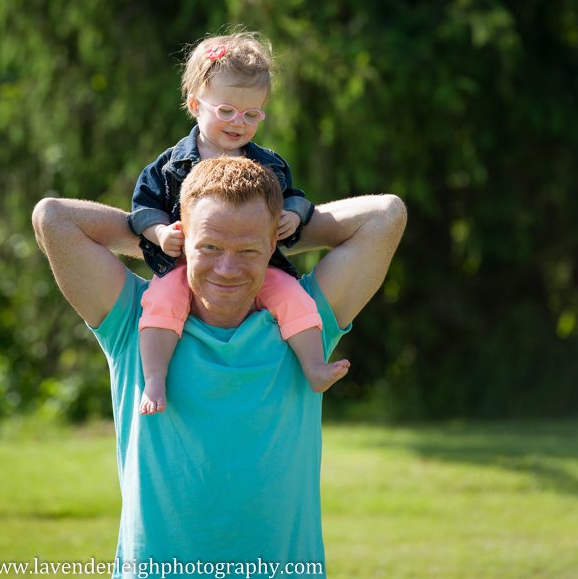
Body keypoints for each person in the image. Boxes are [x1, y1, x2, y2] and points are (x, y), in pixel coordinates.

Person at [32, 157, 406, 574]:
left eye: (248, 250)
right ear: (185, 239)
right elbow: (53, 219)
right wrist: (157, 236)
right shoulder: (135, 320)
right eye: (209, 247)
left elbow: (386, 214)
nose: (226, 269)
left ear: (269, 247)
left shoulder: (304, 321)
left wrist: (275, 231)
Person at [129, 31, 347, 415]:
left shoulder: (269, 164)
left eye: (251, 115)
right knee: (161, 302)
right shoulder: (169, 166)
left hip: (255, 264)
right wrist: (161, 232)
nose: (238, 123)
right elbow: (143, 207)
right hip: (186, 265)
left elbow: (294, 195)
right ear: (196, 105)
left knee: (294, 296)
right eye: (226, 111)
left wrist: (293, 213)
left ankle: (314, 366)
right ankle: (156, 379)